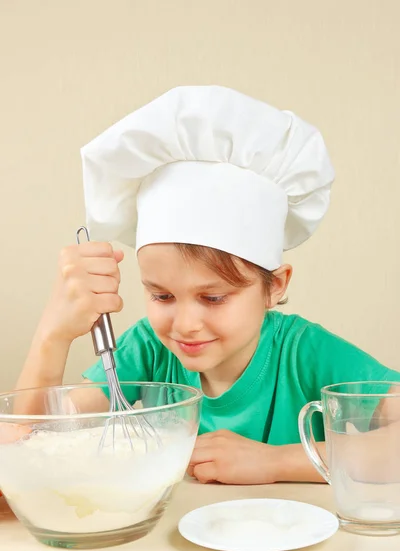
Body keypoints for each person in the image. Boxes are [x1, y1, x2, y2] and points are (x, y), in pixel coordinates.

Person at [15, 86, 400, 485]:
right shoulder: (146, 349)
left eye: (213, 297)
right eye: (161, 295)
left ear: (275, 286)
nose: (185, 324)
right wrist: (52, 334)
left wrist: (275, 462)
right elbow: (28, 441)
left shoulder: (303, 352)